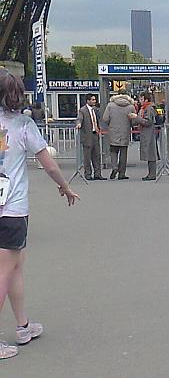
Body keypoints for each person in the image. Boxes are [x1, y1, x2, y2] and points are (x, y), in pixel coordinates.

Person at [0, 70, 79, 359]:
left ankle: (23, 325)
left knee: (15, 267)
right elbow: (49, 164)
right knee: (5, 270)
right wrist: (65, 187)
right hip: (12, 208)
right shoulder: (23, 125)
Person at [102, 89, 135, 180]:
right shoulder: (131, 106)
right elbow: (134, 120)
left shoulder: (110, 105)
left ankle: (114, 167)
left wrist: (111, 124)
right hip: (125, 132)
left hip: (113, 131)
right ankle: (122, 173)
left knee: (113, 151)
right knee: (123, 153)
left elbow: (105, 118)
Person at [128, 92, 159, 180]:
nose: (139, 101)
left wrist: (136, 117)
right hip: (145, 133)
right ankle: (151, 173)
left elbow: (148, 122)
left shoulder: (149, 108)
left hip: (149, 133)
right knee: (149, 153)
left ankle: (152, 174)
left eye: (141, 99)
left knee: (151, 153)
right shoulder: (144, 108)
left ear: (146, 99)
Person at [75, 93, 105, 180]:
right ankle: (88, 174)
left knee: (97, 156)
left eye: (95, 99)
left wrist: (100, 127)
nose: (94, 101)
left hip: (95, 134)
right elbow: (79, 118)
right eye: (92, 100)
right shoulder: (83, 110)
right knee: (87, 157)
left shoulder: (95, 110)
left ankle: (98, 174)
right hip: (87, 136)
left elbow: (99, 120)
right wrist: (78, 124)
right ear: (88, 101)